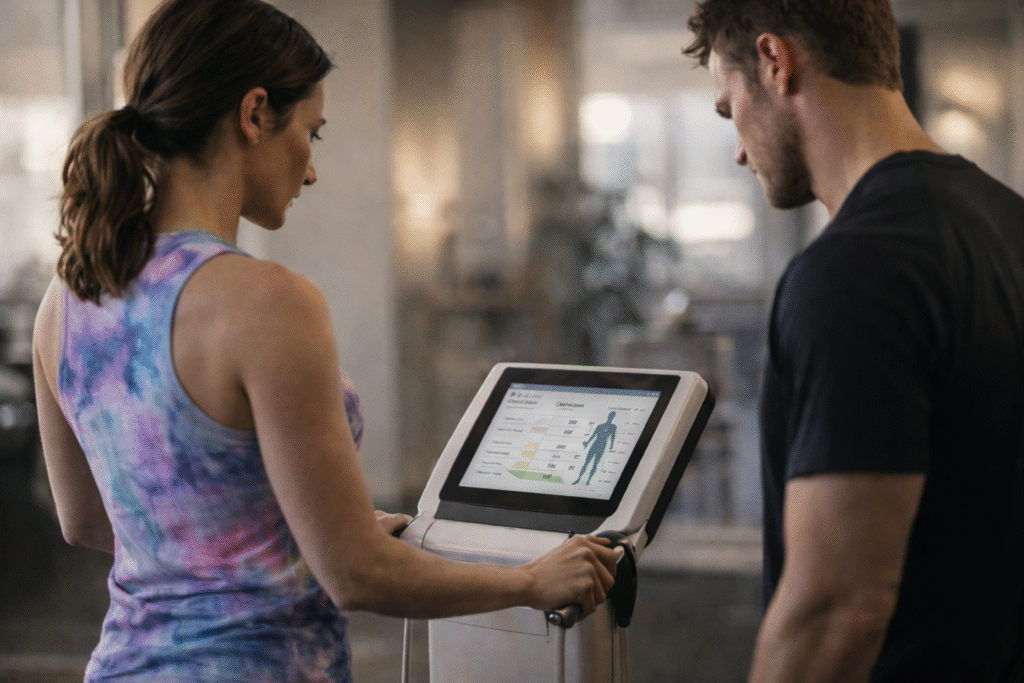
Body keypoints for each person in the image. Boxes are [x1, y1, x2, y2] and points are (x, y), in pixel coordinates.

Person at [32, 1, 618, 681]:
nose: (311, 170)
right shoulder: (270, 302)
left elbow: (86, 520)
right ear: (254, 114)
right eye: (312, 131)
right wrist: (529, 581)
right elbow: (357, 574)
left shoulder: (66, 301)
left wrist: (292, 527)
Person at [683, 1, 1024, 681]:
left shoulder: (854, 272)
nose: (740, 149)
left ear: (776, 63)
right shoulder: (1008, 220)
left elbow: (838, 611)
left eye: (730, 110)